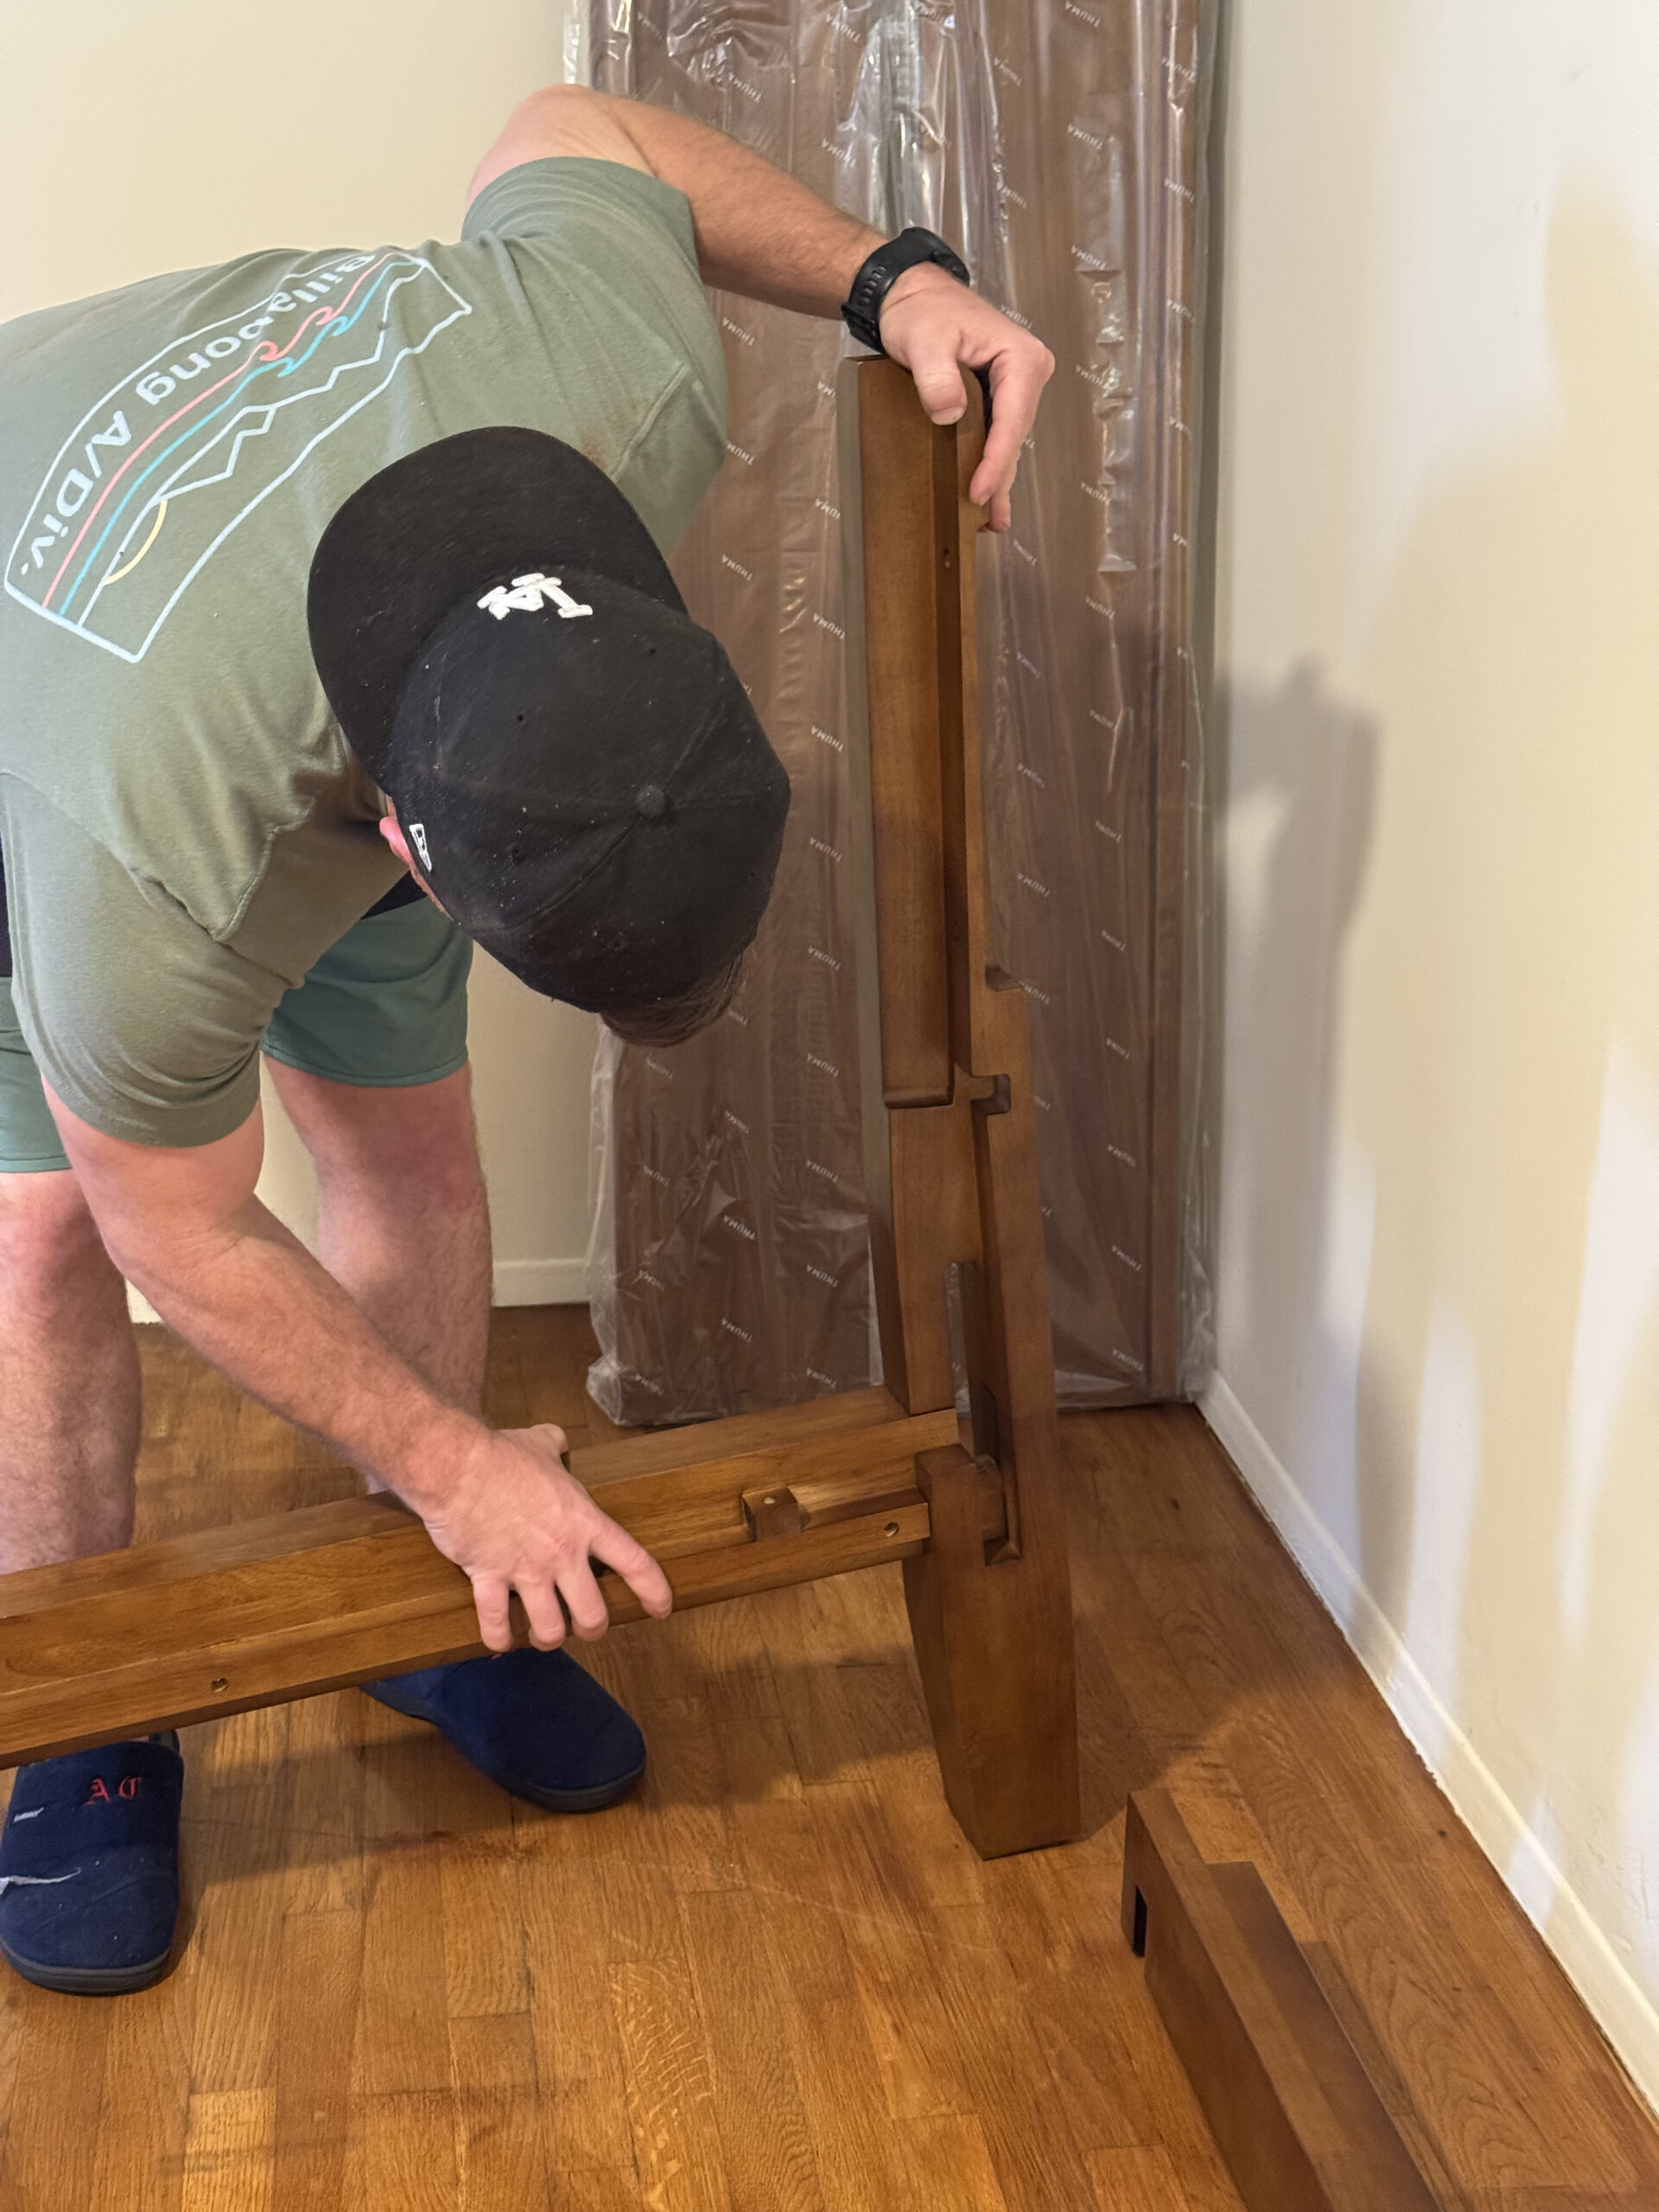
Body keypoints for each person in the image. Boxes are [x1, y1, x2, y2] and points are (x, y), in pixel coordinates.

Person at [0, 82, 1054, 1993]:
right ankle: (81, 1724)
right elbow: (181, 1229)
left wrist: (891, 276)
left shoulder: (620, 377)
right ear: (413, 834)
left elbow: (579, 127)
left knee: (406, 1141)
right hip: (43, 680)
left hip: (330, 668)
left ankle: (434, 1606)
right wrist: (462, 1447)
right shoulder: (140, 832)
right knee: (51, 1223)